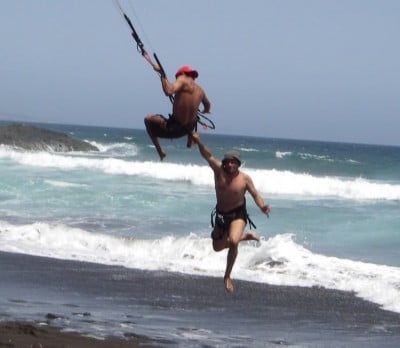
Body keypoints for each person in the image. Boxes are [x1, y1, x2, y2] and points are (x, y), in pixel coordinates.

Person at [190, 132, 271, 292]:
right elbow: (208, 155)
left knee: (233, 241)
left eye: (232, 163)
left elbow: (255, 194)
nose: (228, 165)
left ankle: (227, 276)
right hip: (221, 214)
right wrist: (198, 141)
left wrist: (262, 206)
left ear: (238, 164)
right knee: (217, 247)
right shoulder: (218, 170)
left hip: (237, 214)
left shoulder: (245, 179)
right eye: (226, 162)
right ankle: (245, 237)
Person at [144, 65, 211, 160]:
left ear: (183, 74)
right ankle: (190, 138)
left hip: (174, 128)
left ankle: (160, 151)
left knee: (147, 119)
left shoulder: (183, 79)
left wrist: (161, 73)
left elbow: (168, 90)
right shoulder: (201, 90)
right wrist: (205, 111)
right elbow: (208, 106)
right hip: (186, 129)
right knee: (194, 117)